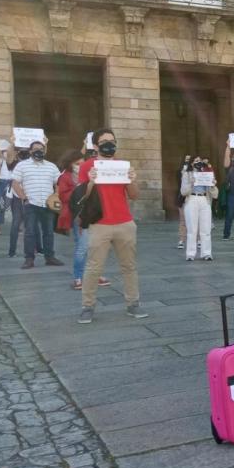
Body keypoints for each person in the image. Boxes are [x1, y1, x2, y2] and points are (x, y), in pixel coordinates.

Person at [77, 128, 147, 324]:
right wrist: (90, 181)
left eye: (112, 140)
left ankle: (133, 303)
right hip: (100, 224)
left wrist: (133, 180)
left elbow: (133, 195)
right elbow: (81, 197)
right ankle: (87, 306)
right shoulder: (87, 166)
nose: (110, 144)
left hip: (124, 222)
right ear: (96, 145)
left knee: (129, 266)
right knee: (93, 267)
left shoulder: (122, 165)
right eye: (105, 141)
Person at [56, 151, 110, 290]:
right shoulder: (65, 177)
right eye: (77, 164)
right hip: (78, 215)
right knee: (82, 247)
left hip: (93, 213)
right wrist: (79, 190)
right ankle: (78, 278)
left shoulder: (88, 174)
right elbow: (63, 196)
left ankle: (95, 275)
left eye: (81, 163)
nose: (80, 166)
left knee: (95, 246)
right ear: (70, 164)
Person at [12, 140, 63, 269]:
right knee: (29, 232)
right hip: (31, 204)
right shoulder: (22, 166)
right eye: (35, 149)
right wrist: (24, 198)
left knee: (48, 232)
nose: (39, 151)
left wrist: (56, 195)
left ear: (45, 150)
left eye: (41, 148)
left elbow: (59, 182)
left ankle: (49, 257)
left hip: (47, 205)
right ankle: (29, 259)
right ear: (30, 151)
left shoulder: (52, 166)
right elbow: (15, 183)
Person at [181, 156, 217, 261]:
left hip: (204, 199)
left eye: (200, 161)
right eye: (196, 161)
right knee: (192, 228)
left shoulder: (207, 173)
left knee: (206, 228)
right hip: (192, 198)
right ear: (192, 163)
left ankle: (207, 253)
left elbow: (215, 194)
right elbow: (183, 191)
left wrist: (213, 185)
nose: (198, 162)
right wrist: (191, 183)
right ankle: (190, 253)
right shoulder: (187, 174)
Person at [0, 143, 13, 236]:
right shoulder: (2, 161)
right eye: (3, 152)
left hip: (12, 183)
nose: (5, 153)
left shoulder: (15, 162)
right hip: (2, 182)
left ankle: (20, 227)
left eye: (6, 151)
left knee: (16, 205)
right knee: (1, 204)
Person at [176, 154, 192, 250]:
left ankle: (198, 240)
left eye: (189, 160)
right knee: (183, 221)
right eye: (186, 159)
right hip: (183, 198)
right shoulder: (180, 171)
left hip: (193, 198)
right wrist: (183, 173)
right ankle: (182, 240)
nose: (187, 161)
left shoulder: (196, 172)